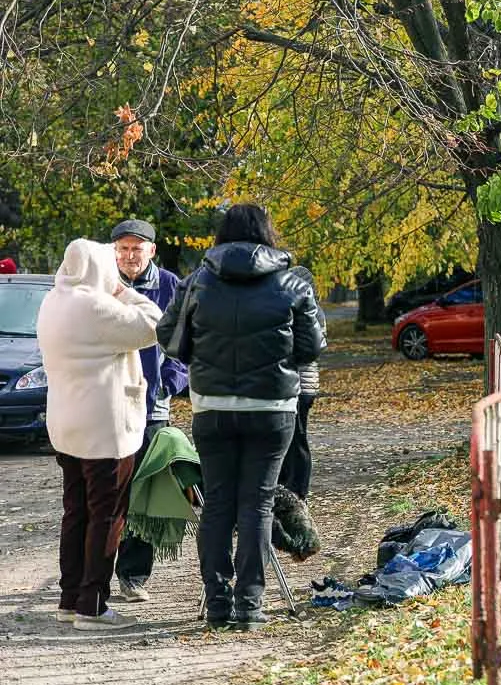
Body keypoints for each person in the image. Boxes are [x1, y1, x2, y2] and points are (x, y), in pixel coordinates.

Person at [157, 204, 323, 631]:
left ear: (222, 236)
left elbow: (169, 338)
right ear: (267, 233)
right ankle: (249, 604)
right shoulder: (292, 282)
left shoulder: (198, 281)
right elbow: (311, 346)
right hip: (272, 411)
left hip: (211, 408)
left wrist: (204, 358)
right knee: (258, 503)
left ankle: (217, 602)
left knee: (217, 505)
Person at [37, 239, 162, 630]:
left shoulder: (53, 301)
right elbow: (155, 323)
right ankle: (93, 605)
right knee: (107, 514)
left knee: (75, 511)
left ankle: (69, 597)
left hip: (65, 422)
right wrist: (123, 290)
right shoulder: (98, 304)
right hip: (104, 428)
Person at [111, 219, 189, 602]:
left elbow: (184, 343)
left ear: (151, 251)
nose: (129, 256)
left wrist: (172, 382)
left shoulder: (170, 286)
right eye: (123, 248)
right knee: (109, 490)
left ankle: (133, 573)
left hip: (152, 407)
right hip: (108, 405)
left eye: (136, 249)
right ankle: (92, 571)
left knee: (144, 491)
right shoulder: (102, 283)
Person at [277, 266, 326, 501]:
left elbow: (312, 348)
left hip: (302, 385)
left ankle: (298, 489)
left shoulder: (312, 312)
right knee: (289, 437)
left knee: (297, 437)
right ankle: (289, 485)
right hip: (291, 384)